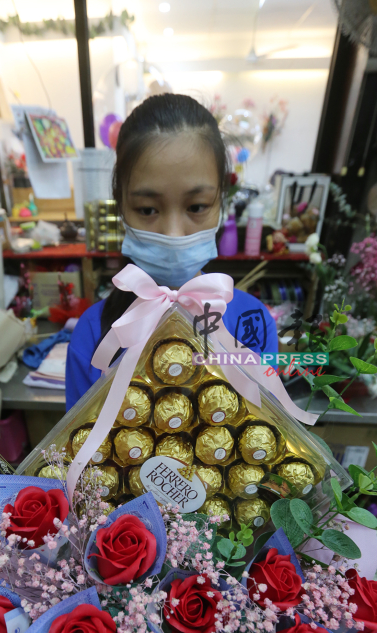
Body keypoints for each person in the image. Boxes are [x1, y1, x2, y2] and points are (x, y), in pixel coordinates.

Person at [65, 93, 278, 411]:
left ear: (222, 202)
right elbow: (76, 447)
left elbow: (267, 432)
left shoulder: (253, 322)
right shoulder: (93, 334)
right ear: (121, 206)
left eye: (196, 207)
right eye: (148, 209)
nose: (173, 233)